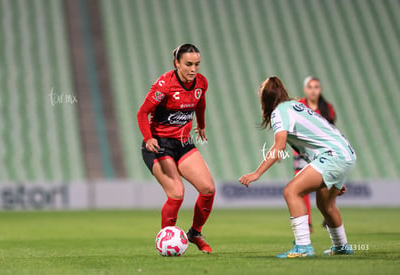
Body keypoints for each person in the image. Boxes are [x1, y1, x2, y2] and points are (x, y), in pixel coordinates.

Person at [239, 76, 356, 258]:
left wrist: (256, 174)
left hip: (334, 156)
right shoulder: (295, 106)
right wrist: (337, 172)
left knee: (291, 191)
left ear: (266, 97)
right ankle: (341, 246)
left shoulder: (279, 112)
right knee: (326, 204)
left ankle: (303, 247)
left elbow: (279, 146)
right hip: (345, 153)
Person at [137, 43, 215, 253]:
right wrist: (148, 137)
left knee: (208, 189)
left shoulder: (201, 83)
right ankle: (166, 241)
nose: (193, 69)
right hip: (158, 145)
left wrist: (202, 125)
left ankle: (195, 233)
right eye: (188, 64)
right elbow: (142, 113)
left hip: (182, 143)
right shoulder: (164, 85)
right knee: (177, 192)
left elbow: (200, 103)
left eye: (197, 64)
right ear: (177, 63)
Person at [293, 76, 337, 232]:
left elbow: (332, 132)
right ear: (305, 90)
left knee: (326, 186)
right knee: (301, 189)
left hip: (323, 153)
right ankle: (307, 223)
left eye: (316, 87)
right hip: (303, 153)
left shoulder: (327, 108)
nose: (313, 90)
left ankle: (328, 215)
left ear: (320, 89)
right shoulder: (299, 106)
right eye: (310, 87)